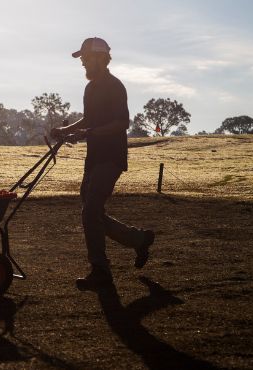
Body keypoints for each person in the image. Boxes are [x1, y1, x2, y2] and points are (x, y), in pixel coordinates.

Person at [50, 37, 155, 291]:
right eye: (82, 58)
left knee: (90, 212)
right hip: (94, 157)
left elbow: (122, 123)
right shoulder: (91, 88)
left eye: (85, 57)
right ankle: (139, 240)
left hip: (111, 157)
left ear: (100, 57)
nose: (83, 62)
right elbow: (89, 119)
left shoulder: (114, 86)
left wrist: (88, 134)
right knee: (92, 212)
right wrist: (66, 129)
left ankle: (100, 271)